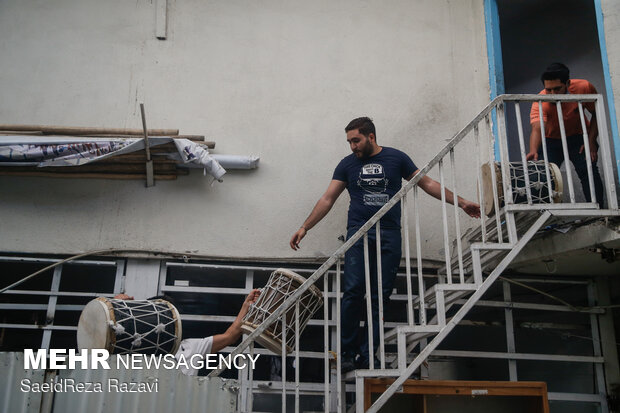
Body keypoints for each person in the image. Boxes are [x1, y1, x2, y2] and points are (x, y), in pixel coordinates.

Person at [289, 117, 480, 372]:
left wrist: (462, 201)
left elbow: (428, 183)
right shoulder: (347, 165)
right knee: (354, 292)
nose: (352, 146)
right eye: (349, 142)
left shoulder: (396, 158)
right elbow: (328, 198)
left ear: (371, 136)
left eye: (356, 140)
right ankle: (347, 353)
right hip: (358, 233)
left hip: (388, 233)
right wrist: (305, 227)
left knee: (379, 296)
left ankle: (369, 354)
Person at [114, 289, 260, 375]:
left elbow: (230, 336)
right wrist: (119, 305)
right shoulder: (132, 347)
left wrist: (246, 306)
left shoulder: (189, 347)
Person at [527, 62, 605, 206]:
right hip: (550, 141)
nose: (552, 94)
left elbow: (596, 112)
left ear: (567, 83)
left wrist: (591, 140)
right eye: (548, 90)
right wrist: (533, 150)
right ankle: (548, 218)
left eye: (557, 89)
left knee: (588, 171)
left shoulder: (584, 87)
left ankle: (599, 212)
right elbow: (537, 129)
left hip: (579, 136)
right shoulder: (540, 100)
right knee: (544, 176)